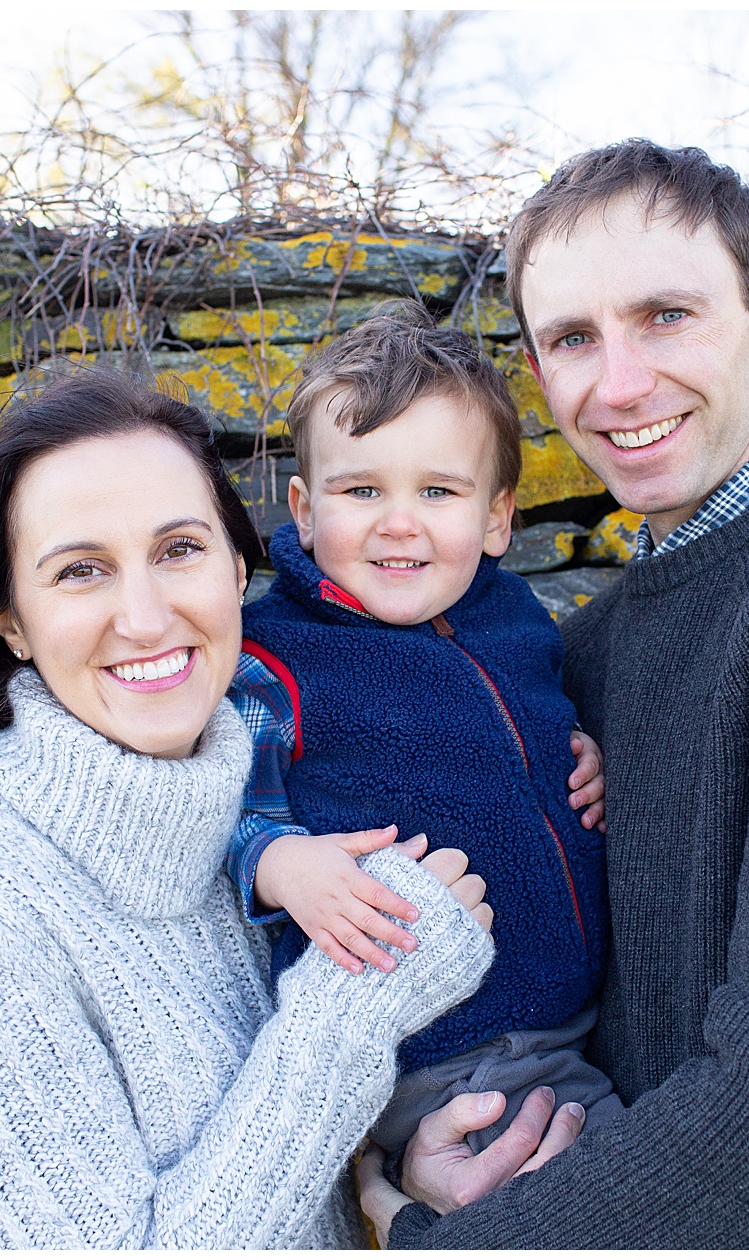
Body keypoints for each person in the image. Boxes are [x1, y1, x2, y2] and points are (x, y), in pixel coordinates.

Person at [359, 140, 749, 1248]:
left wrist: (439, 1245)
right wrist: (430, 1150)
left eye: (664, 316)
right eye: (571, 338)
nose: (617, 385)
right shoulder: (588, 648)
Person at [0, 371, 496, 1249]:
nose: (144, 617)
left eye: (179, 550)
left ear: (237, 567)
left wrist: (393, 1176)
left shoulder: (266, 808)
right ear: (14, 623)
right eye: (80, 571)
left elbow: (279, 1160)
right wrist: (360, 1001)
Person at [226, 301, 624, 1165]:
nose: (398, 522)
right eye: (362, 490)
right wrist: (277, 862)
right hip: (438, 1053)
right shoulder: (276, 655)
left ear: (495, 517)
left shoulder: (513, 616)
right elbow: (216, 812)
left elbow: (517, 731)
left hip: (574, 1018)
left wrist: (578, 751)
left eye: (437, 491)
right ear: (303, 507)